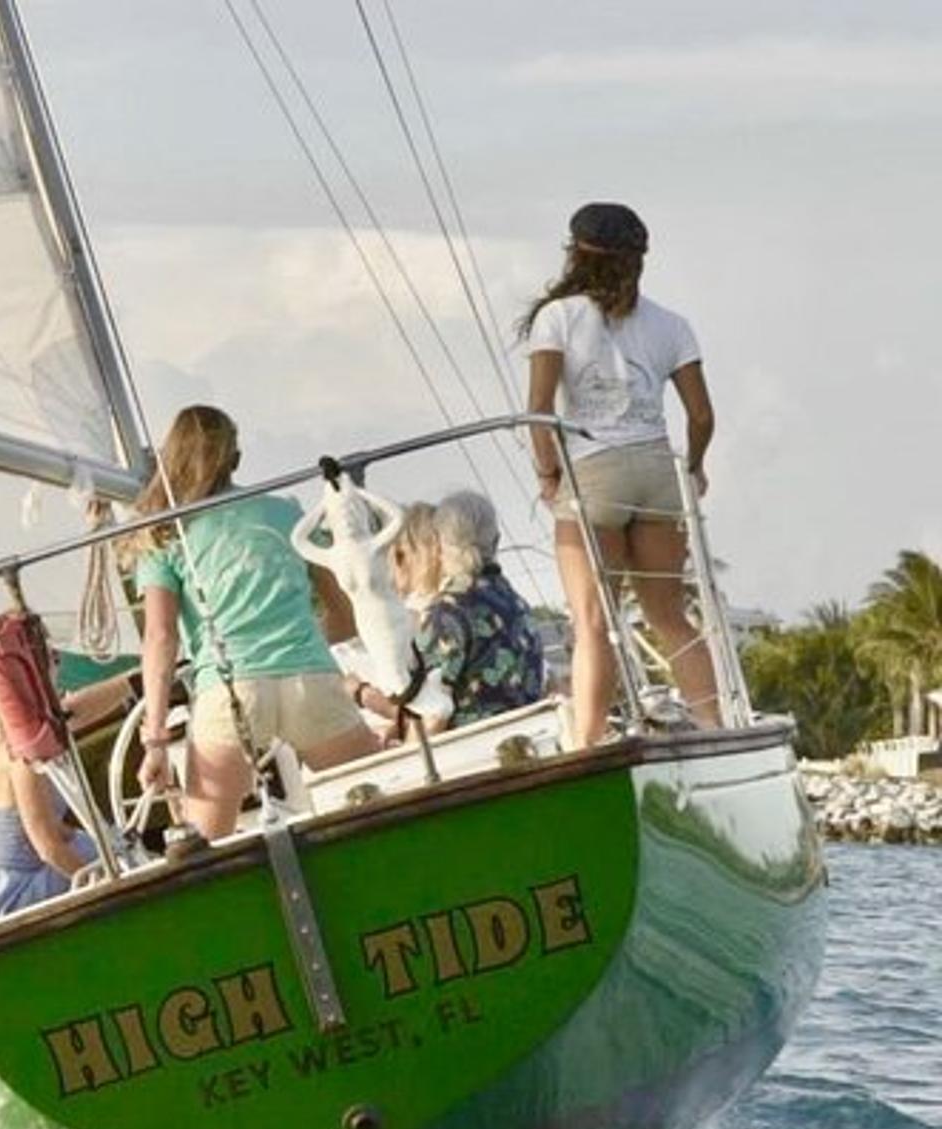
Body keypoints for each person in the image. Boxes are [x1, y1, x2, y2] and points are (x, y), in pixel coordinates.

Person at [127, 405, 379, 839]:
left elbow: (160, 638)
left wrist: (153, 741)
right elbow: (346, 616)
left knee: (203, 850)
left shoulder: (164, 534)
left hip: (229, 691)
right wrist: (296, 646)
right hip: (311, 680)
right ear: (236, 459)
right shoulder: (286, 514)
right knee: (378, 813)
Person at [523, 202, 718, 746]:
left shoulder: (557, 318)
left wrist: (548, 476)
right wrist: (695, 469)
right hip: (657, 471)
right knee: (671, 617)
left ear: (575, 254)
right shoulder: (672, 325)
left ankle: (587, 743)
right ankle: (714, 729)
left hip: (593, 474)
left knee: (590, 622)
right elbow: (701, 416)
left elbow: (539, 412)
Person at [351, 492, 545, 733]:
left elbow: (431, 715)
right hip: (525, 737)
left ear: (439, 544)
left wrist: (402, 759)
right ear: (496, 540)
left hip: (473, 751)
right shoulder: (515, 602)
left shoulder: (446, 615)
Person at [0, 681, 94, 922]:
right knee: (114, 854)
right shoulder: (23, 753)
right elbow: (48, 848)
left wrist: (138, 681)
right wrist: (105, 881)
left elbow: (75, 711)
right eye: (53, 658)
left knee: (100, 843)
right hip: (7, 894)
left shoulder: (4, 740)